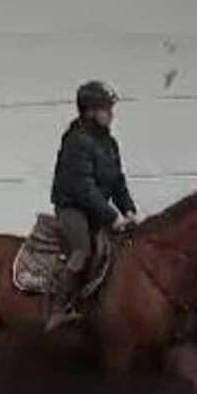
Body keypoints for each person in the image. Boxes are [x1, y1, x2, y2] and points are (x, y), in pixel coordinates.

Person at [46, 80, 139, 332]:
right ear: (90, 111)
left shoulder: (108, 143)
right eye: (106, 108)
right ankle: (59, 309)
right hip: (72, 208)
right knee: (82, 250)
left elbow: (118, 181)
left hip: (96, 209)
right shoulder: (77, 140)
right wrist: (112, 216)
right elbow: (82, 187)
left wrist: (129, 209)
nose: (111, 113)